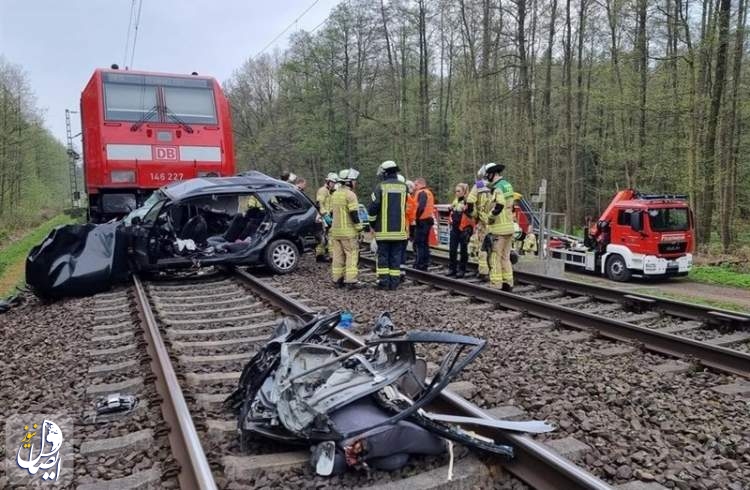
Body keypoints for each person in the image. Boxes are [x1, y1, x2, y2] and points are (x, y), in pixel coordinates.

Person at [368, 160, 408, 290]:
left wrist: (372, 223)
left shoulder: (380, 187)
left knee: (383, 258)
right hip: (399, 231)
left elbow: (373, 208)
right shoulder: (404, 187)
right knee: (396, 258)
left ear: (385, 173)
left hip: (384, 232)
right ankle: (394, 283)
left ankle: (384, 283)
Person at [330, 168, 365, 289]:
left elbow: (331, 213)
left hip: (335, 232)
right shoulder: (350, 195)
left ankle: (337, 280)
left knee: (338, 256)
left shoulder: (335, 194)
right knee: (351, 255)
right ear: (349, 182)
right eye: (354, 181)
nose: (355, 183)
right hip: (348, 232)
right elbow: (354, 214)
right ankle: (351, 281)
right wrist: (360, 229)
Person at [484, 162, 515, 291]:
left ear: (492, 174)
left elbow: (499, 205)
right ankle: (508, 282)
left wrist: (490, 218)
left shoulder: (497, 188)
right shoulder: (508, 185)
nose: (487, 178)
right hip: (509, 227)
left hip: (499, 229)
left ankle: (496, 284)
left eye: (488, 175)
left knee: (495, 256)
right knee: (505, 257)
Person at [466, 165, 491, 280]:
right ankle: (495, 271)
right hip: (497, 221)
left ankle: (483, 272)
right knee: (495, 248)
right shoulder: (498, 185)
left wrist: (473, 215)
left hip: (483, 221)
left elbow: (470, 202)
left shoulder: (479, 185)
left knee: (482, 247)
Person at [447, 183, 474, 277]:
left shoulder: (468, 202)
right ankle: (452, 269)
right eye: (456, 191)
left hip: (464, 228)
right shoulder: (456, 200)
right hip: (455, 228)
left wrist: (465, 210)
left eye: (459, 191)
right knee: (452, 250)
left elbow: (471, 214)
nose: (456, 193)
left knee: (463, 250)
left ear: (464, 192)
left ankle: (462, 270)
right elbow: (452, 210)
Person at [315, 173, 339, 262]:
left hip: (327, 216)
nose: (334, 184)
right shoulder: (323, 191)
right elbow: (319, 204)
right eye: (332, 182)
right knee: (325, 237)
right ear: (328, 181)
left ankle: (321, 255)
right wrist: (325, 215)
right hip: (322, 217)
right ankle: (329, 256)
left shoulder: (331, 192)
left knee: (326, 237)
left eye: (335, 183)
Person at [413, 178, 435, 271]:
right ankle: (425, 263)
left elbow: (420, 207)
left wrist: (416, 218)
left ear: (420, 184)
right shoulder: (428, 192)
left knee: (420, 243)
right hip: (428, 220)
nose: (415, 187)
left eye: (416, 185)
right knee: (425, 243)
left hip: (422, 221)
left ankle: (420, 264)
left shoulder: (421, 193)